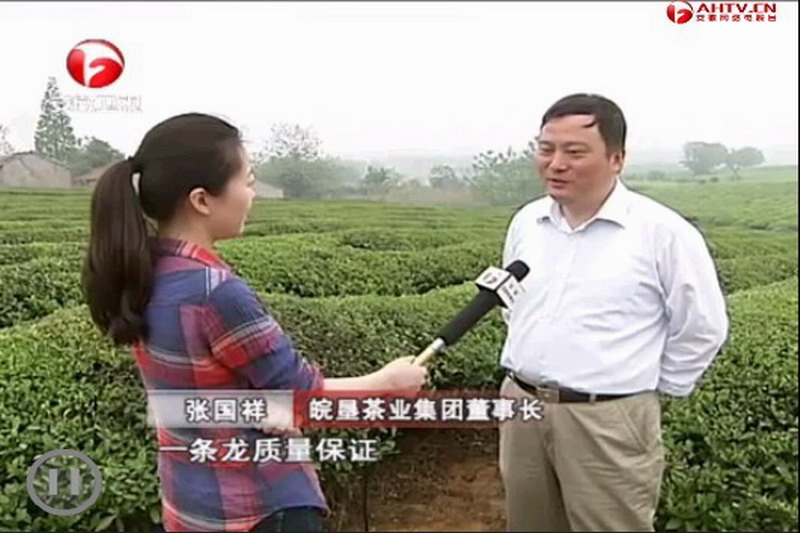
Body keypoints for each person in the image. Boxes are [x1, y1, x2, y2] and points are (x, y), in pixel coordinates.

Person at [81, 112, 428, 532]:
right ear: (201, 200)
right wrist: (387, 382)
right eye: (247, 181)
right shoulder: (214, 292)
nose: (253, 193)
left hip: (190, 505)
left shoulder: (145, 274)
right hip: (258, 507)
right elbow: (301, 395)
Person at [497, 93, 729, 532]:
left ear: (617, 159)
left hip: (607, 418)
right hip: (521, 406)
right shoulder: (527, 222)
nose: (556, 164)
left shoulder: (663, 232)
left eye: (574, 152)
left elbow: (702, 327)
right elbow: (515, 305)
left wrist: (640, 389)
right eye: (546, 149)